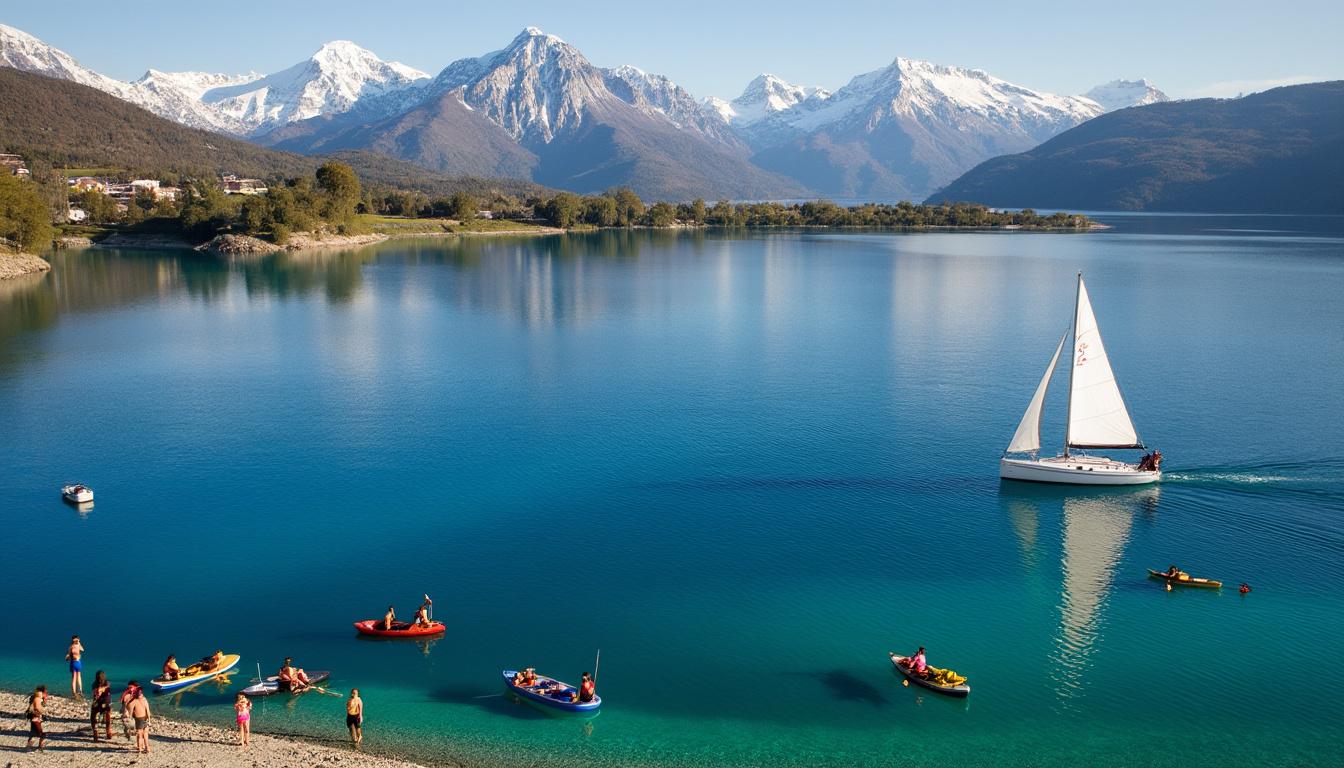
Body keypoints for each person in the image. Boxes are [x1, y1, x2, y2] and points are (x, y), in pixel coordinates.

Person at [127, 684, 152, 754]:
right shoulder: (145, 699)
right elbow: (148, 710)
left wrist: (130, 719)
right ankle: (147, 748)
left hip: (139, 720)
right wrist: (149, 720)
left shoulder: (134, 701)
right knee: (146, 735)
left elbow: (130, 711)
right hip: (145, 719)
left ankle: (140, 749)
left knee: (140, 735)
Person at [91, 670, 113, 742]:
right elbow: (107, 692)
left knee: (93, 715)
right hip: (106, 702)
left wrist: (99, 691)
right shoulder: (107, 683)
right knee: (108, 714)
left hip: (98, 702)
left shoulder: (94, 684)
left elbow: (95, 696)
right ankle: (108, 731)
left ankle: (95, 732)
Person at [25, 685, 47, 752]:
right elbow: (37, 708)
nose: (46, 693)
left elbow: (41, 705)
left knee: (33, 734)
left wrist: (44, 700)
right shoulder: (37, 698)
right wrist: (43, 713)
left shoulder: (36, 698)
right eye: (45, 692)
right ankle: (38, 748)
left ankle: (31, 748)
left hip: (35, 719)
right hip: (36, 719)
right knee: (41, 735)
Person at [67, 634, 85, 699]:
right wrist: (79, 643)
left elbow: (82, 650)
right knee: (76, 677)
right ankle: (77, 692)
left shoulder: (73, 646)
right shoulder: (74, 646)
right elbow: (82, 650)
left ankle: (77, 692)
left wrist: (79, 643)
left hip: (76, 662)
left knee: (76, 677)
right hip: (75, 662)